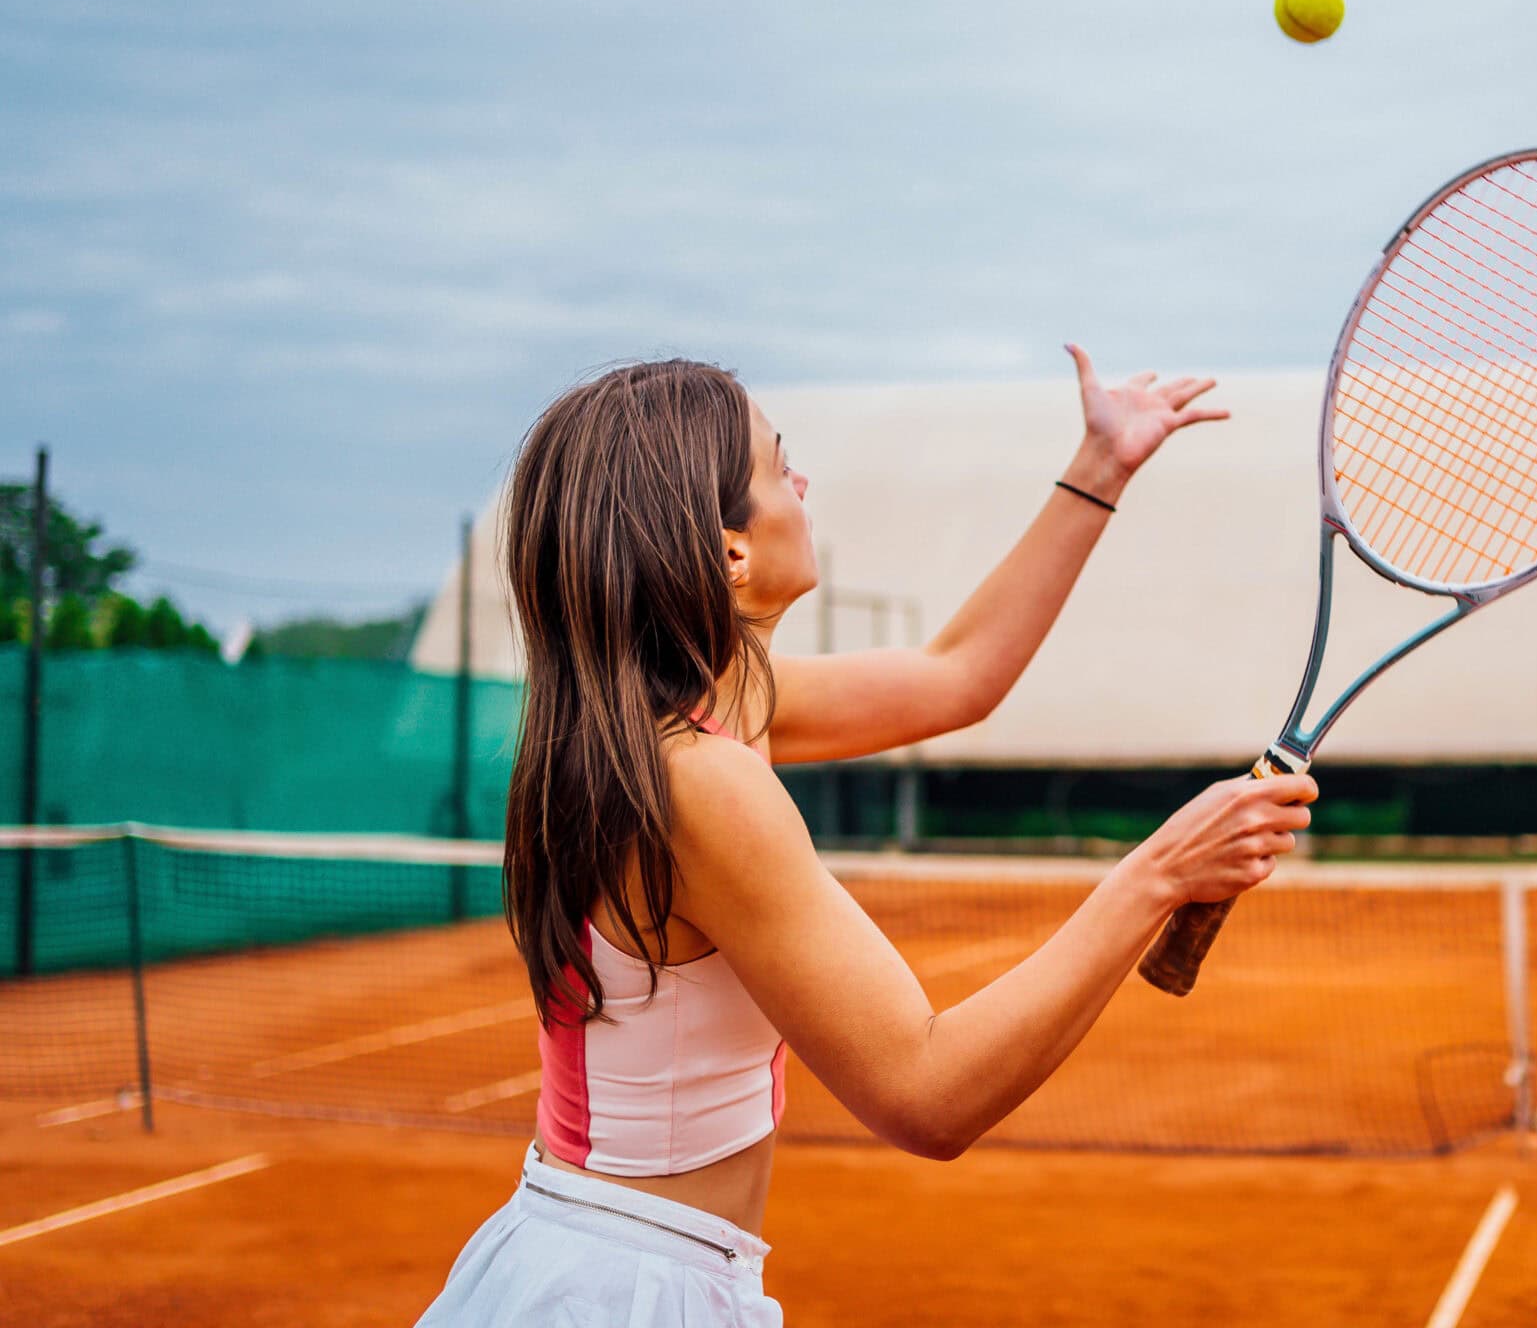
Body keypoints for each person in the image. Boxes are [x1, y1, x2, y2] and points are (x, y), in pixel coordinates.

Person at [418, 351, 1316, 1326]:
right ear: (729, 554)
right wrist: (1159, 875)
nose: (800, 484)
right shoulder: (701, 785)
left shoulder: (674, 722)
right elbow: (927, 1094)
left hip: (608, 1254)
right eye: (777, 466)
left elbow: (959, 674)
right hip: (628, 1288)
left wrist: (1100, 463)